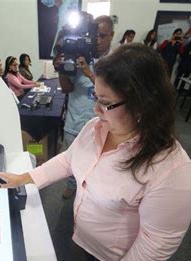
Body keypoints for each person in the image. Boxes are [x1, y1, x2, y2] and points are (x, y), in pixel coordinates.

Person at [0, 43, 191, 261]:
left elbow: (158, 240)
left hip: (117, 259)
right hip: (87, 238)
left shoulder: (171, 168)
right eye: (95, 98)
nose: (96, 110)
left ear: (143, 104)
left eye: (106, 103)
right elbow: (69, 160)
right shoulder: (95, 128)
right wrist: (24, 177)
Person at [53, 14, 114, 199]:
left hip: (105, 126)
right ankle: (72, 185)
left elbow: (113, 95)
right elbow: (66, 88)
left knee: (101, 162)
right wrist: (62, 70)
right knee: (73, 159)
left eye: (102, 35)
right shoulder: (78, 54)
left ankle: (93, 191)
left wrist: (89, 73)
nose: (97, 40)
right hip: (75, 122)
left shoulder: (117, 61)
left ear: (112, 35)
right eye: (95, 35)